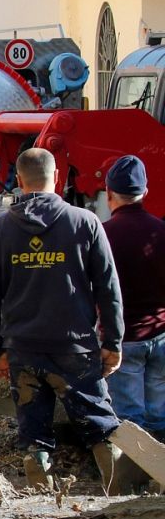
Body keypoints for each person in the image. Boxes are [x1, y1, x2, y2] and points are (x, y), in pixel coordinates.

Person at [0, 147, 125, 491]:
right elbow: (108, 287)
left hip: (23, 348)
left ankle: (40, 496)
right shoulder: (85, 222)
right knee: (100, 425)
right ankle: (120, 492)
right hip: (73, 347)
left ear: (18, 180)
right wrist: (112, 342)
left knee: (33, 432)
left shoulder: (0, 229)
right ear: (56, 176)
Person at [102, 155, 165, 436]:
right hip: (161, 336)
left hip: (123, 341)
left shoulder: (103, 235)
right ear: (145, 192)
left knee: (129, 422)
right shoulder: (160, 231)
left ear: (108, 193)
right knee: (159, 418)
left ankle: (133, 477)